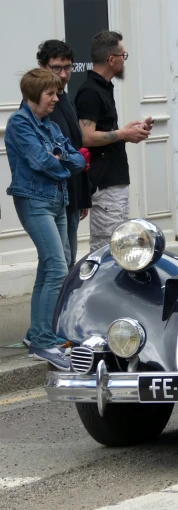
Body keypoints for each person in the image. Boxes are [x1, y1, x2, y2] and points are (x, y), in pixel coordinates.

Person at [5, 69, 86, 370]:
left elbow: (77, 159)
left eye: (56, 93)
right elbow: (40, 161)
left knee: (51, 268)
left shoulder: (49, 125)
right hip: (34, 202)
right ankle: (44, 341)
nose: (56, 98)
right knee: (57, 267)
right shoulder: (19, 124)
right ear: (33, 95)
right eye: (50, 94)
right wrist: (62, 161)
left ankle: (35, 334)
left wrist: (59, 159)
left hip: (57, 199)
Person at [75, 31, 152, 252]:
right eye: (123, 55)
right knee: (107, 248)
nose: (123, 59)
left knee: (117, 244)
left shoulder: (103, 87)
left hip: (113, 180)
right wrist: (122, 134)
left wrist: (129, 132)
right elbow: (86, 136)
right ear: (111, 59)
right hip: (105, 183)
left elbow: (105, 134)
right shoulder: (90, 91)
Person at [36, 39, 93, 268]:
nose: (63, 74)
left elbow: (76, 146)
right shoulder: (39, 103)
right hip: (54, 195)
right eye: (56, 67)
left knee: (67, 262)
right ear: (42, 66)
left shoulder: (66, 98)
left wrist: (83, 196)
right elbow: (46, 154)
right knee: (59, 265)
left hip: (73, 192)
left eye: (67, 67)